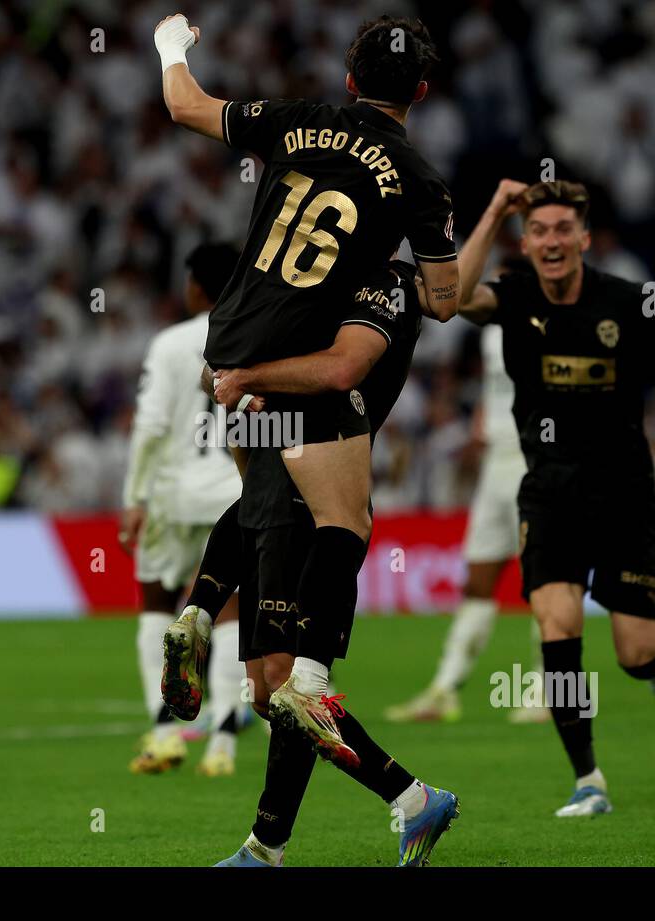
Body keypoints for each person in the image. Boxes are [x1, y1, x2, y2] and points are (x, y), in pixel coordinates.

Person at [153, 13, 460, 751]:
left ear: (350, 80)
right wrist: (384, 271)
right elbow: (446, 302)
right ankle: (312, 681)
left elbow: (183, 105)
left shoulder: (297, 121)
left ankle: (200, 610)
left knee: (265, 484)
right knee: (344, 520)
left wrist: (171, 45)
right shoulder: (419, 180)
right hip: (293, 359)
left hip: (225, 344)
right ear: (420, 90)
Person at [172, 260, 459, 867]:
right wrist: (241, 386)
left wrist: (243, 382)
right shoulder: (314, 281)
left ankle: (269, 846)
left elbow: (345, 364)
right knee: (269, 692)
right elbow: (215, 374)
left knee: (288, 688)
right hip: (279, 473)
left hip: (308, 482)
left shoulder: (375, 285)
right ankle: (410, 799)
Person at [456, 179, 655, 816]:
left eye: (562, 230)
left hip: (625, 496)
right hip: (549, 494)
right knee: (557, 625)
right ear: (528, 241)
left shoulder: (624, 302)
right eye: (538, 231)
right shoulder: (512, 296)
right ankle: (588, 779)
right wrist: (493, 210)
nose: (551, 241)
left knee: (636, 654)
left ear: (584, 238)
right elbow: (449, 296)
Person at [118, 243, 246, 776]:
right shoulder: (254, 333)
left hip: (172, 496)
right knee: (231, 613)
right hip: (232, 492)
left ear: (195, 287)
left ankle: (166, 733)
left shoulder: (169, 343)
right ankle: (222, 744)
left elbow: (148, 429)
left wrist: (133, 499)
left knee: (156, 607)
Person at [385, 311, 547, 725]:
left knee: (546, 582)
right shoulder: (493, 331)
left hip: (538, 462)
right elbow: (494, 392)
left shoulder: (554, 324)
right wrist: (481, 428)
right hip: (496, 464)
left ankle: (549, 690)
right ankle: (445, 689)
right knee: (478, 580)